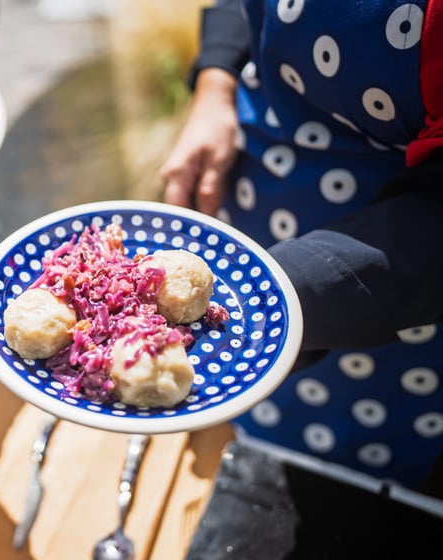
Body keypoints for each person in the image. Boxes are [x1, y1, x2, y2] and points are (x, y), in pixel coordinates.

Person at [159, 0, 443, 493]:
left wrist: (284, 291)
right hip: (243, 231)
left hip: (373, 297)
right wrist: (215, 85)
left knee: (341, 506)